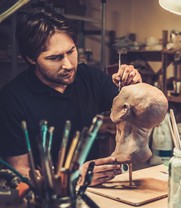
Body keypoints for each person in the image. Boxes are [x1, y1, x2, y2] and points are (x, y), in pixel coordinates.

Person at [0, 8, 142, 186]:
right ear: (31, 58)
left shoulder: (91, 78)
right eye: (55, 58)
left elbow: (135, 113)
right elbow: (19, 174)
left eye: (71, 51)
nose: (68, 65)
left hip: (94, 192)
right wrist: (71, 178)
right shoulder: (11, 99)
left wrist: (133, 88)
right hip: (46, 201)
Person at [110, 83, 168, 170]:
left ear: (125, 110)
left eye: (117, 99)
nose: (113, 104)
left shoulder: (128, 153)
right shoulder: (142, 152)